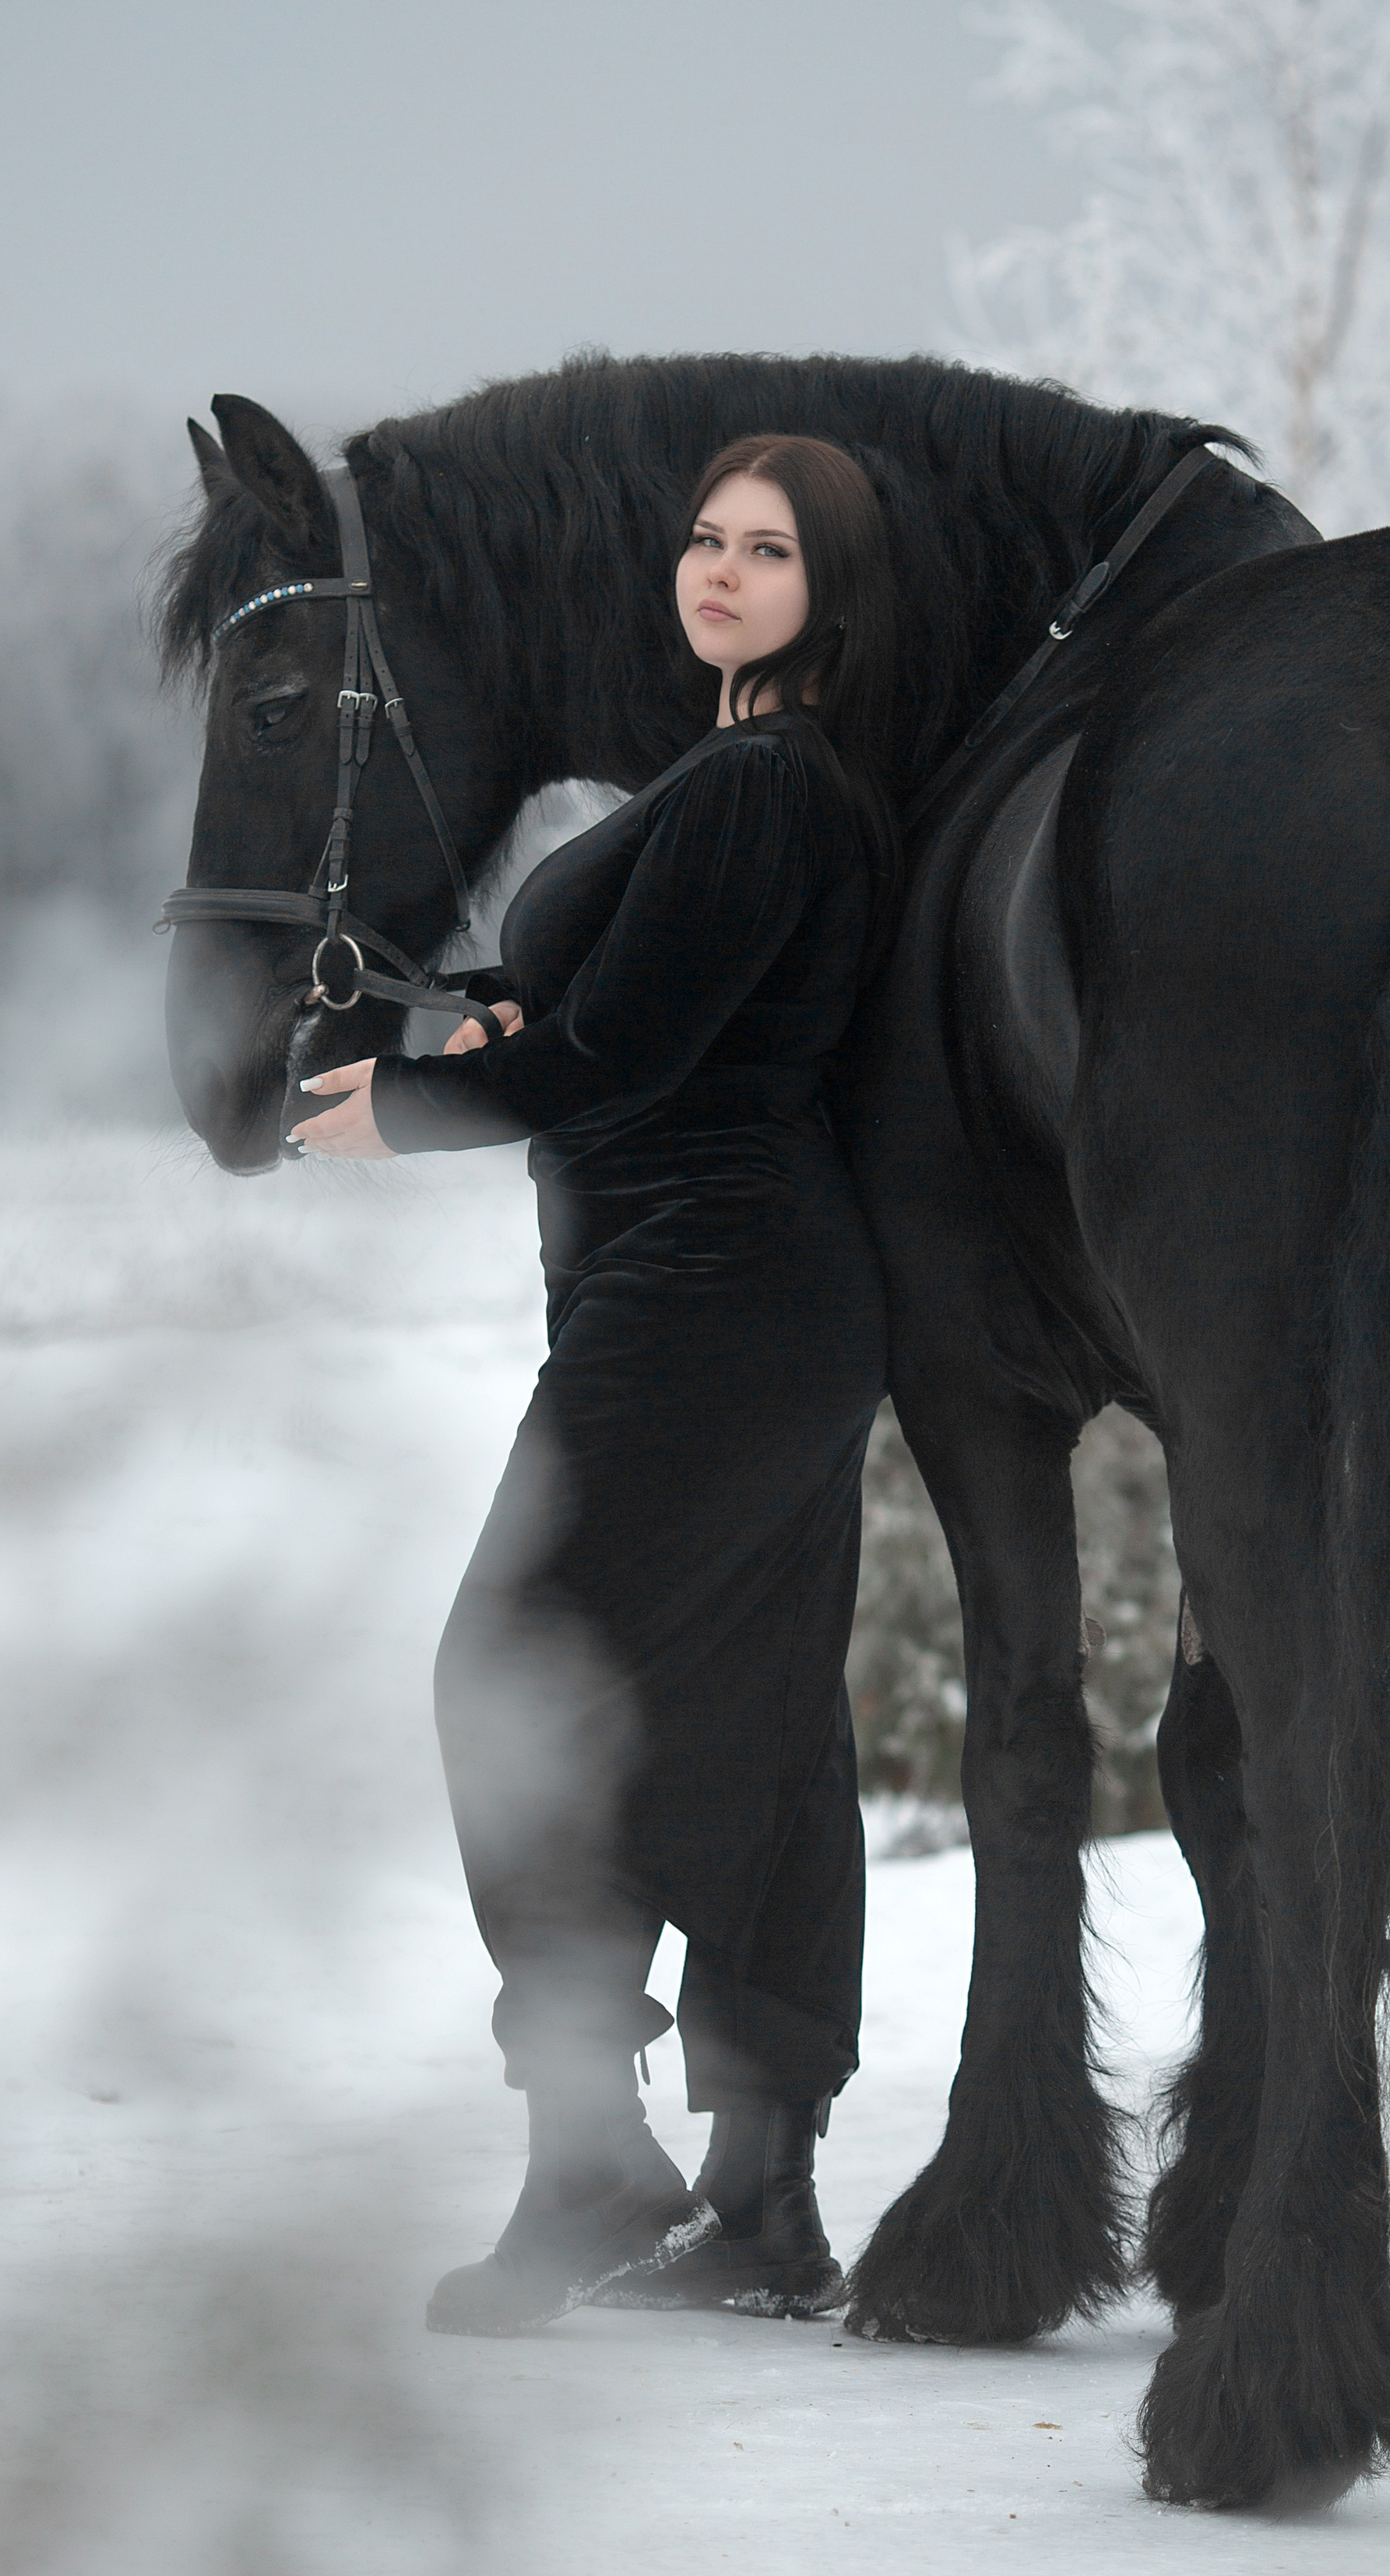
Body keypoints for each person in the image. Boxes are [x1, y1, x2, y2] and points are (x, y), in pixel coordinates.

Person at [290, 435, 898, 2334]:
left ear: (834, 588)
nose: (717, 569)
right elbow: (640, 1026)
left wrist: (407, 1107)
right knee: (757, 1710)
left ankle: (590, 2157)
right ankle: (764, 2200)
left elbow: (628, 1060)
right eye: (703, 535)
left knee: (509, 1667)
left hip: (711, 1290)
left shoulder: (759, 786)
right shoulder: (740, 787)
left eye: (769, 548)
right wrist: (502, 1012)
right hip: (733, 1294)